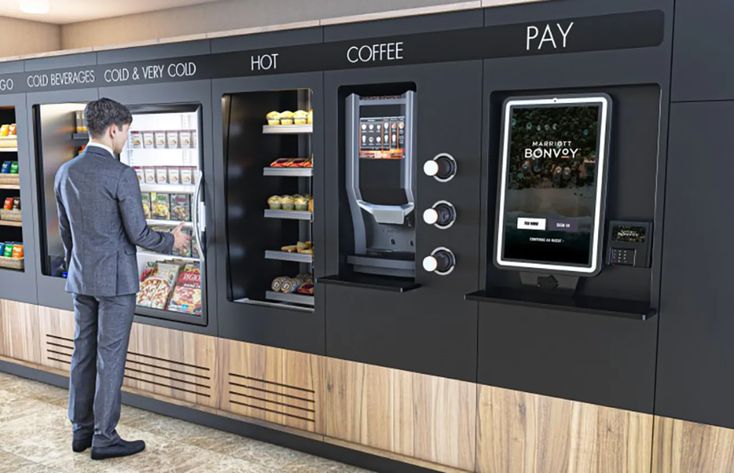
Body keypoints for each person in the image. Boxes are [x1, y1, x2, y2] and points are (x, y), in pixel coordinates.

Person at [54, 98, 190, 460]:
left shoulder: (66, 172)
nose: (125, 140)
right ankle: (105, 436)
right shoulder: (120, 174)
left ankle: (80, 430)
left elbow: (66, 234)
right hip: (116, 283)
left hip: (81, 279)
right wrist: (172, 241)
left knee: (82, 353)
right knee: (109, 357)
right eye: (126, 132)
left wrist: (79, 263)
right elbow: (139, 234)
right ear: (114, 129)